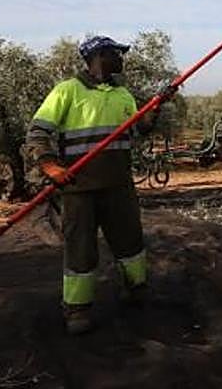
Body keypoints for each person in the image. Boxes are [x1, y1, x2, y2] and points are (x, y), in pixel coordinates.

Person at [25, 35, 166, 335]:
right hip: (78, 190)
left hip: (118, 186)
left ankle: (136, 289)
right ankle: (77, 309)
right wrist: (49, 164)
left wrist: (154, 110)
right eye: (117, 54)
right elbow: (37, 132)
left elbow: (139, 129)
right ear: (99, 56)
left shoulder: (122, 94)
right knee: (80, 249)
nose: (122, 59)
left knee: (130, 243)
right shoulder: (67, 91)